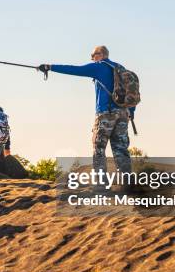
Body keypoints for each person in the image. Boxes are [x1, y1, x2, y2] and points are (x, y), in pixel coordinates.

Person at [38, 45, 135, 182]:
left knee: (99, 148)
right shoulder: (120, 68)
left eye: (93, 55)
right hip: (123, 115)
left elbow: (74, 70)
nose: (91, 58)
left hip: (105, 114)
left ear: (100, 54)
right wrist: (131, 112)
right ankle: (128, 184)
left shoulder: (99, 66)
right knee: (121, 150)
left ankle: (101, 186)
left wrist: (50, 67)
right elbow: (131, 91)